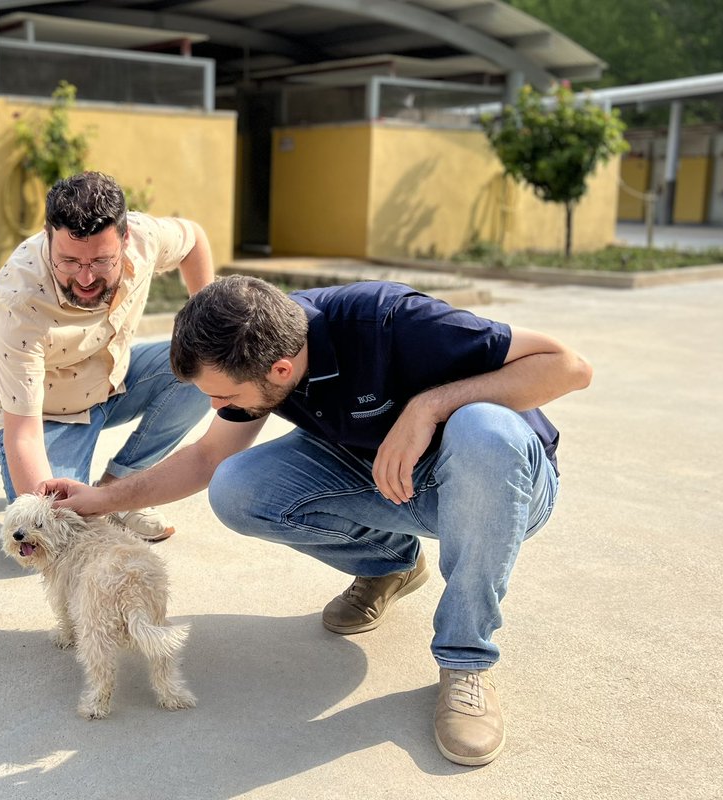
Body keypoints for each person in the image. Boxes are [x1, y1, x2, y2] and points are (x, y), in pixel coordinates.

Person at [41, 274, 592, 766]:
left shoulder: (389, 319)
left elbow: (570, 367)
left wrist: (430, 408)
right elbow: (209, 459)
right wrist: (99, 500)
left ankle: (466, 660)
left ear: (280, 369)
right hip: (389, 480)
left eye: (223, 396)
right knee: (238, 486)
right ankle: (390, 565)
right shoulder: (262, 355)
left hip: (500, 488)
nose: (216, 407)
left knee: (483, 430)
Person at [0, 171, 214, 541]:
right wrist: (47, 511)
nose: (86, 279)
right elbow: (23, 435)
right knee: (51, 533)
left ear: (125, 238)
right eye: (69, 262)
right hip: (46, 416)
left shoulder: (144, 236)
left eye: (102, 261)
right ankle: (82, 495)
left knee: (209, 364)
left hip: (113, 380)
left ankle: (120, 488)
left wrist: (205, 322)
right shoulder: (19, 300)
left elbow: (193, 240)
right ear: (48, 238)